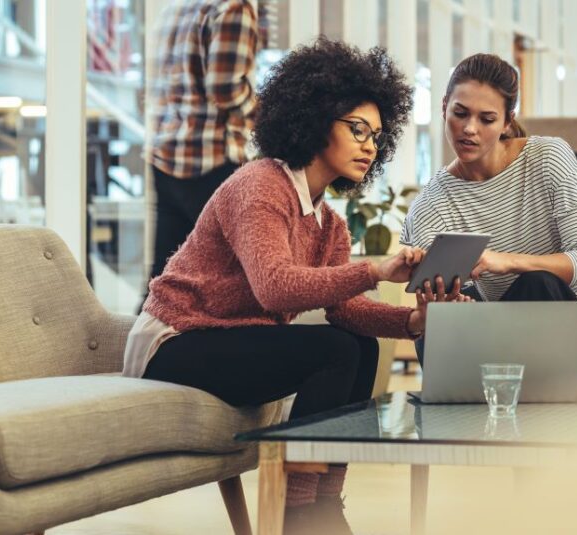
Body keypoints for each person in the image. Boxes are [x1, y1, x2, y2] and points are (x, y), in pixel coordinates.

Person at [124, 39, 467, 534]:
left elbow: (345, 310)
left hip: (228, 337)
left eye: (376, 134)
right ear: (313, 117)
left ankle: (323, 499)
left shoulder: (329, 223)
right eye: (356, 129)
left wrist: (413, 320)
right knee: (332, 350)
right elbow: (275, 289)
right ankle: (298, 511)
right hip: (175, 341)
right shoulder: (260, 185)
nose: (370, 144)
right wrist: (375, 270)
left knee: (359, 346)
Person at [401, 53, 577, 389]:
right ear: (443, 106)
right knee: (436, 333)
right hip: (507, 340)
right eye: (460, 113)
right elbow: (459, 313)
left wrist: (506, 262)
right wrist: (440, 297)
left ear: (506, 121)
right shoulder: (430, 205)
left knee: (537, 283)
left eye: (486, 119)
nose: (469, 129)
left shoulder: (548, 158)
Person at [145, 0, 259, 301]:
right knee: (234, 281)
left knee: (166, 276)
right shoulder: (233, 7)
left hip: (166, 155)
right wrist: (265, 112)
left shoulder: (176, 7)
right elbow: (226, 89)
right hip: (211, 160)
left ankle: (141, 345)